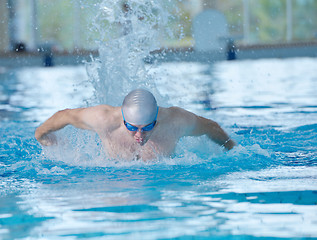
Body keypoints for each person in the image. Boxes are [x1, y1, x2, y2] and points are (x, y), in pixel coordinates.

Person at [35, 89, 236, 160]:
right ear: (123, 120)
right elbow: (66, 115)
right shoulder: (104, 119)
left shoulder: (176, 120)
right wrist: (40, 134)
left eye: (147, 127)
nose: (139, 135)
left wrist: (232, 149)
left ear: (156, 119)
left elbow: (211, 127)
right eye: (132, 127)